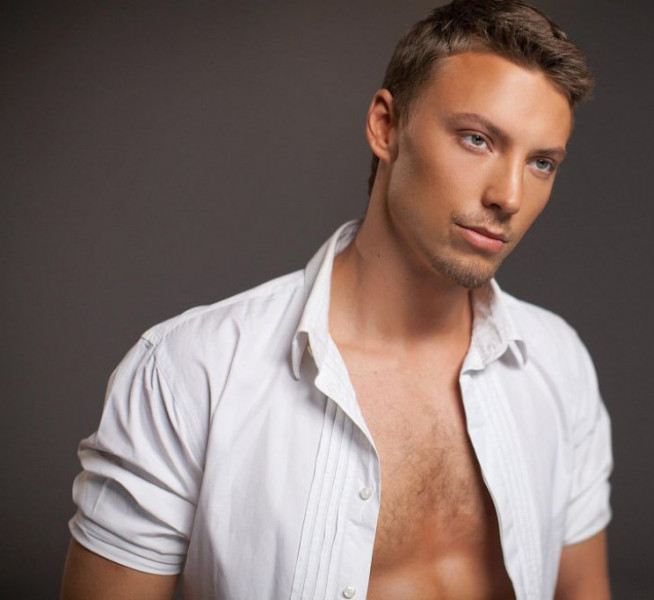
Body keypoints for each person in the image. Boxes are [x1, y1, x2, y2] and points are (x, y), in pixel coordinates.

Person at [60, 1, 613, 598]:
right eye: (476, 139)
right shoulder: (189, 374)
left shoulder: (558, 364)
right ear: (385, 126)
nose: (509, 196)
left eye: (541, 162)